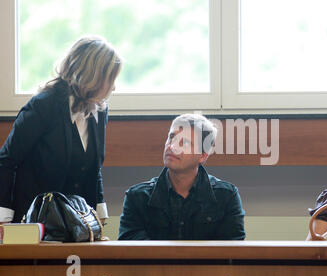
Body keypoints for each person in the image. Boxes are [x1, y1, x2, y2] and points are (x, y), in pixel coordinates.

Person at [0, 36, 122, 234]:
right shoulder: (43, 105)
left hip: (78, 223)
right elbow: (6, 160)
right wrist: (3, 218)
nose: (114, 87)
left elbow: (92, 167)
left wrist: (99, 214)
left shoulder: (100, 110)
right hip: (35, 223)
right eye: (110, 79)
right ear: (92, 76)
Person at [118, 113, 246, 240]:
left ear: (202, 155)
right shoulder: (137, 197)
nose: (172, 147)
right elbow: (129, 251)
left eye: (184, 142)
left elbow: (233, 252)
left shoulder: (226, 196)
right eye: (171, 137)